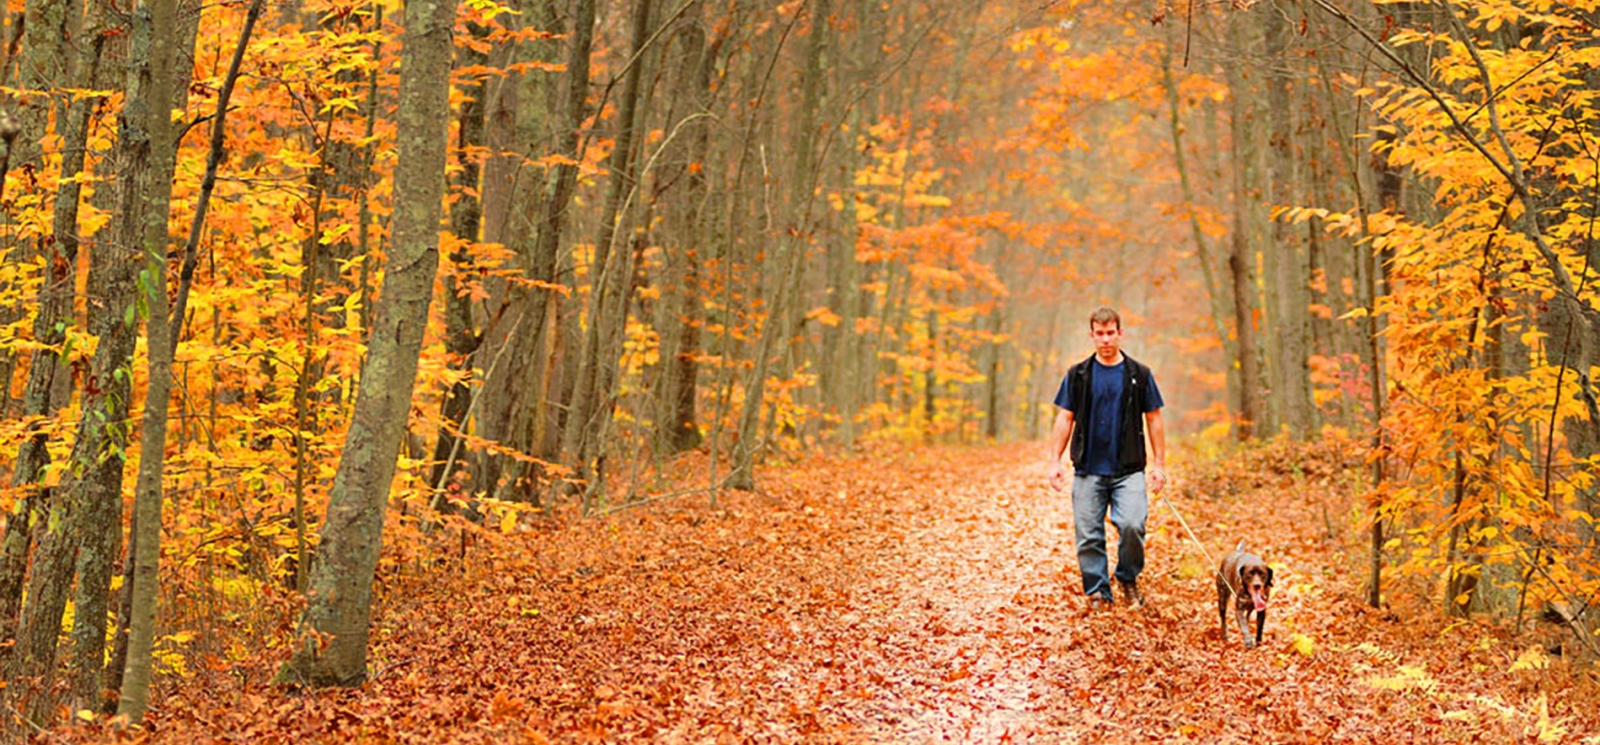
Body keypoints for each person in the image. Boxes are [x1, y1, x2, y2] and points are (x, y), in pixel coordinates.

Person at [1047, 306, 1167, 610]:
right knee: (1088, 535)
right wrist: (1055, 461)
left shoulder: (1139, 374)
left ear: (1120, 334)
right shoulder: (1078, 375)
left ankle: (1128, 577)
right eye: (1099, 334)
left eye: (1110, 333)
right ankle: (1098, 591)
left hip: (1128, 470)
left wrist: (1159, 466)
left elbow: (1154, 419)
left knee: (1132, 524)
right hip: (1088, 468)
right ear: (1091, 335)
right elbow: (1065, 418)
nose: (1105, 340)